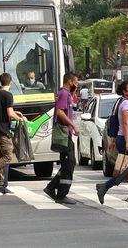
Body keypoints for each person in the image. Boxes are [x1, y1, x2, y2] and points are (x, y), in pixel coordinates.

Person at [94, 79, 128, 207]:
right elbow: (124, 124)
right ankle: (105, 187)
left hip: (127, 138)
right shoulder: (126, 104)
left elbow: (123, 123)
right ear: (124, 92)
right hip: (126, 139)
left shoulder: (125, 103)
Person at [42, 72, 79, 205]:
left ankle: (51, 187)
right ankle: (61, 194)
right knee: (69, 163)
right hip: (64, 134)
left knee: (68, 163)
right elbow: (59, 112)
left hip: (66, 134)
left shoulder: (66, 94)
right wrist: (73, 125)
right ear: (69, 81)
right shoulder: (63, 93)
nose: (77, 85)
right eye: (76, 82)